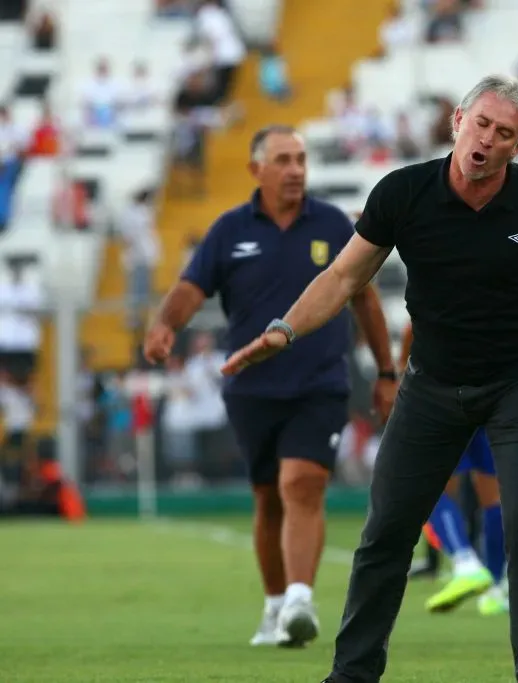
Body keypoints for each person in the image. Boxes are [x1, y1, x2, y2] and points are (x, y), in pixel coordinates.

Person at [220, 74, 518, 683]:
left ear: (517, 147)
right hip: (433, 383)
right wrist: (284, 330)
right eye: (482, 125)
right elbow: (343, 279)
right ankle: (352, 674)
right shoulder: (403, 192)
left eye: (505, 134)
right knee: (386, 530)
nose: (488, 141)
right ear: (458, 122)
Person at [143, 125, 398, 648]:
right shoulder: (229, 229)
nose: (296, 169)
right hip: (251, 388)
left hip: (320, 384)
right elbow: (192, 288)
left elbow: (365, 301)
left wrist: (387, 373)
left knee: (301, 484)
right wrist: (166, 323)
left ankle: (301, 600)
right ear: (257, 169)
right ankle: (276, 604)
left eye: (301, 159)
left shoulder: (333, 223)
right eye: (283, 159)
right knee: (268, 498)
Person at [398, 324, 508, 616]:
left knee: (432, 490)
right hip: (493, 390)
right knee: (493, 496)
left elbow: (414, 325)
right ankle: (496, 589)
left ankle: (465, 562)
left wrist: (399, 373)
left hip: (444, 392)